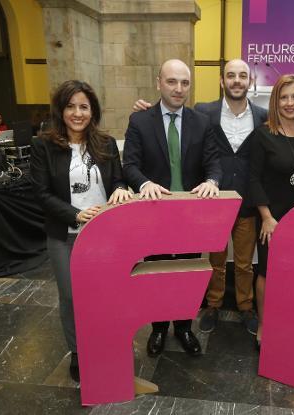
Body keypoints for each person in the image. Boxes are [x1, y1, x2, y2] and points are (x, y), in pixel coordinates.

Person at [132, 59, 267, 336]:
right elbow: (166, 118)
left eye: (243, 76)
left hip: (246, 199)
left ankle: (245, 307)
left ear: (250, 81)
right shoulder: (205, 111)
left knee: (243, 263)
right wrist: (147, 110)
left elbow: (288, 126)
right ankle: (211, 306)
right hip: (210, 204)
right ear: (222, 80)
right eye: (231, 75)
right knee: (211, 261)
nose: (237, 80)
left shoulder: (263, 115)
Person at [30, 80, 132, 382]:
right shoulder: (43, 146)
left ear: (93, 111)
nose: (77, 113)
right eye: (71, 106)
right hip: (65, 236)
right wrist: (76, 214)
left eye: (84, 107)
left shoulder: (106, 143)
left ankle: (105, 343)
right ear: (61, 111)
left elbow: (118, 179)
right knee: (72, 298)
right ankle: (78, 350)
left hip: (105, 236)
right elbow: (41, 193)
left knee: (106, 295)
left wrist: (121, 189)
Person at [123, 59, 221, 357]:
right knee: (157, 273)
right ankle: (158, 328)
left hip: (190, 216)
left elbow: (213, 161)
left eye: (185, 83)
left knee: (187, 274)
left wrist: (213, 180)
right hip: (155, 214)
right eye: (172, 81)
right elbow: (129, 164)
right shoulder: (140, 121)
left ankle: (183, 327)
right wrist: (143, 184)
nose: (179, 89)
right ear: (158, 83)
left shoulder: (201, 122)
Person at [248, 74, 294, 347]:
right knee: (266, 271)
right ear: (276, 101)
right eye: (284, 97)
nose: (290, 103)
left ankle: (288, 320)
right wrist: (265, 217)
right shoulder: (263, 134)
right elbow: (253, 178)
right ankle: (264, 325)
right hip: (272, 219)